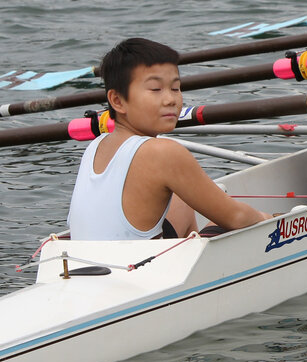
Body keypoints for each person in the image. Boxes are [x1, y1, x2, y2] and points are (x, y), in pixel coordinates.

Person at [67, 38, 270, 240]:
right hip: (138, 269)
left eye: (175, 88)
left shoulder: (96, 145)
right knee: (235, 219)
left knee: (181, 199)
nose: (170, 99)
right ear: (117, 101)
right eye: (156, 89)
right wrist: (271, 218)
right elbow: (236, 217)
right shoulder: (163, 152)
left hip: (85, 264)